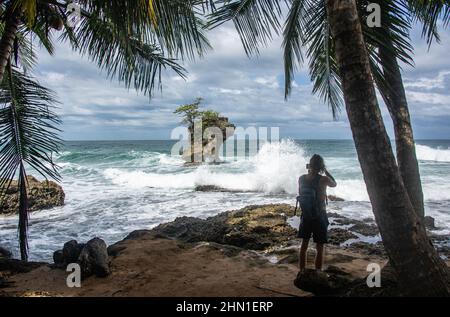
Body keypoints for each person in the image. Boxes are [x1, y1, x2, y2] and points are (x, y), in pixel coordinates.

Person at [297, 154, 337, 272]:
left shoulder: (301, 178)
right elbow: (334, 184)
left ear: (310, 164)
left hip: (306, 214)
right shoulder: (323, 179)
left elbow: (301, 193)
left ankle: (302, 272)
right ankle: (318, 273)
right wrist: (326, 172)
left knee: (304, 245)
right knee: (320, 247)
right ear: (321, 166)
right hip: (320, 215)